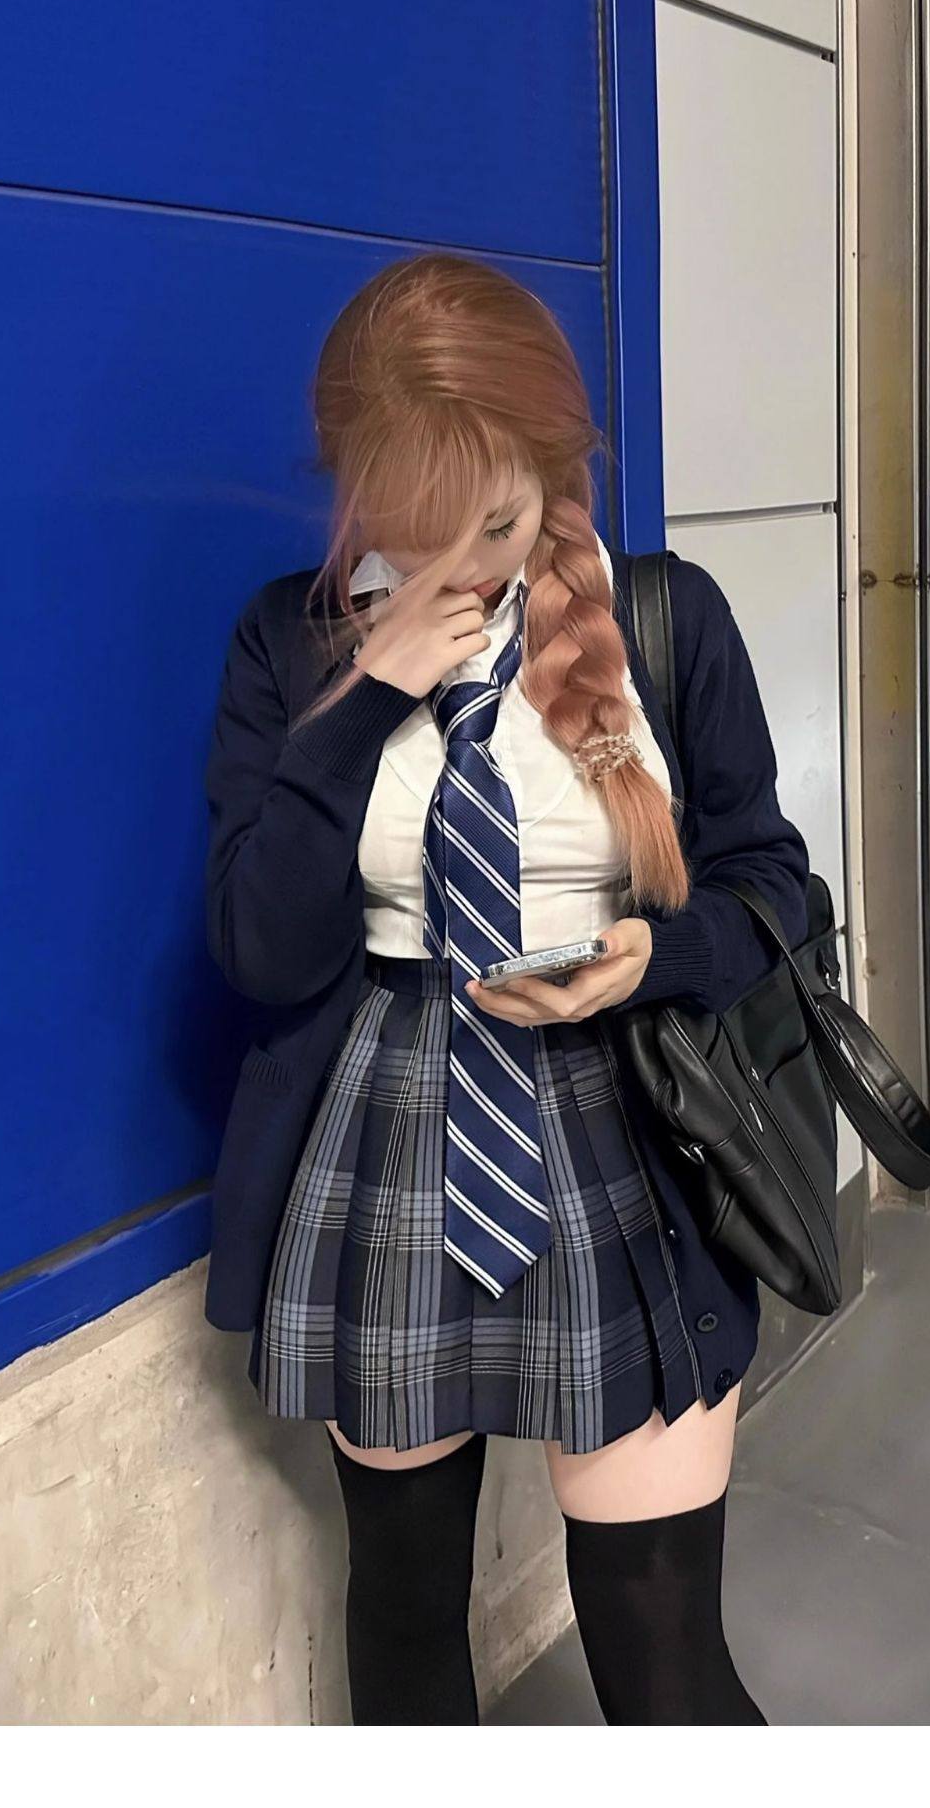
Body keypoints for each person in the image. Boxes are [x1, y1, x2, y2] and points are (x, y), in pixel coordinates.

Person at [202, 251, 810, 1724]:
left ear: (554, 464)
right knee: (409, 1620)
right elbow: (260, 951)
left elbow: (775, 887)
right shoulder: (291, 642)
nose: (455, 565)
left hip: (627, 1128)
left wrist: (657, 958)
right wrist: (370, 697)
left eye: (488, 520)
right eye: (406, 528)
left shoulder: (665, 621)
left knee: (663, 1658)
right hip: (390, 1136)